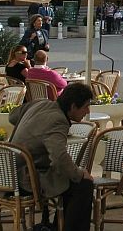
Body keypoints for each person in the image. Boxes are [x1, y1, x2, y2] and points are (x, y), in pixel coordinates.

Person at [9, 83, 95, 231]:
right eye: (86, 106)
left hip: (8, 173)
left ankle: (57, 226)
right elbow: (59, 158)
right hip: (26, 179)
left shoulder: (40, 103)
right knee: (83, 184)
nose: (87, 111)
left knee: (70, 179)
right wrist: (80, 174)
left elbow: (12, 116)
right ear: (73, 106)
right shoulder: (58, 120)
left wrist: (34, 126)